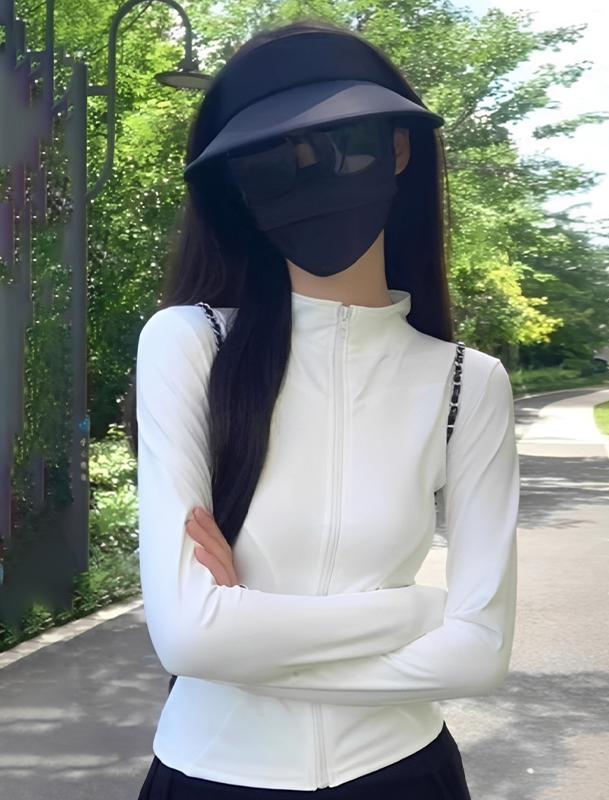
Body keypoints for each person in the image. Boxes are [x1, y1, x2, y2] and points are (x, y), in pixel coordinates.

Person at [128, 17, 520, 800]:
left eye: (340, 143)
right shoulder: (190, 342)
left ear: (400, 148)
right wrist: (416, 611)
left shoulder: (467, 382)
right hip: (210, 775)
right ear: (239, 188)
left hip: (403, 774)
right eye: (273, 160)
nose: (308, 172)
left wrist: (247, 641)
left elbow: (480, 654)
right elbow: (191, 639)